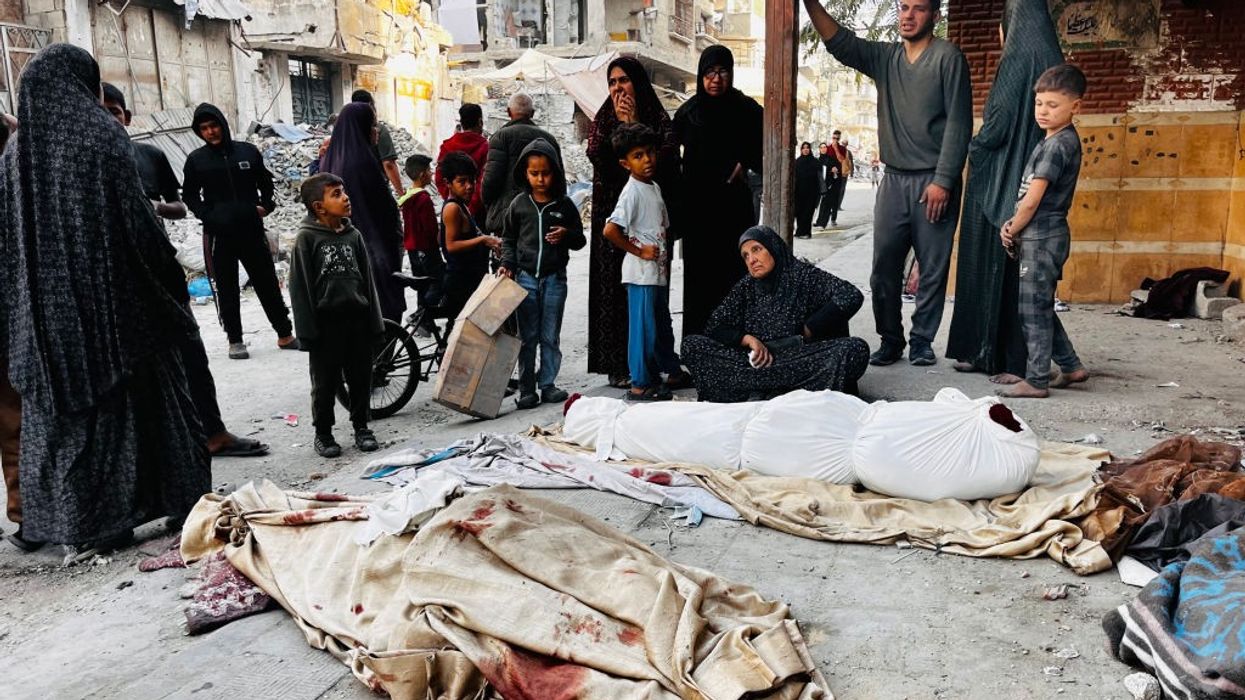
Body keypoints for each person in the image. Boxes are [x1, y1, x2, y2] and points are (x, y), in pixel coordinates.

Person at [0, 44, 209, 552]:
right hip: (118, 309)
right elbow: (137, 224)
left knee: (70, 427)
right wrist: (166, 279)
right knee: (156, 407)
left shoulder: (14, 154)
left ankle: (85, 524)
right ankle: (180, 502)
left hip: (47, 321)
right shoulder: (101, 136)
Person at [102, 84, 268, 460]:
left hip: (159, 267)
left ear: (127, 117)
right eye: (101, 110)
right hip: (114, 279)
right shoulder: (80, 161)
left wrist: (154, 207)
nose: (107, 119)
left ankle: (213, 432)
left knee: (191, 349)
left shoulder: (149, 155)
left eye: (114, 111)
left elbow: (179, 204)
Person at [803, 0, 972, 367]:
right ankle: (891, 339)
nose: (908, 15)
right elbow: (841, 43)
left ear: (935, 16)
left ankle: (922, 341)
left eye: (918, 9)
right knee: (883, 268)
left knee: (932, 268)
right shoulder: (885, 58)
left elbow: (959, 122)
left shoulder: (948, 58)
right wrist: (809, 2)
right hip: (894, 180)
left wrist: (944, 180)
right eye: (903, 7)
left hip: (934, 181)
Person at [947, 0, 1063, 382]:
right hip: (1030, 185)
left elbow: (997, 124)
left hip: (999, 181)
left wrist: (975, 149)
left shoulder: (1016, 61)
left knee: (989, 266)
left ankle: (995, 356)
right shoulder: (1052, 62)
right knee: (1021, 281)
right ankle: (1005, 356)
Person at [682, 226, 869, 402]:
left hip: (797, 359)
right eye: (746, 256)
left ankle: (757, 390)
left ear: (773, 247)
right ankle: (781, 390)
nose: (751, 260)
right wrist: (748, 340)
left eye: (756, 250)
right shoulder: (746, 287)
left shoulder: (803, 275)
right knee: (692, 345)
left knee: (854, 349)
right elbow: (715, 325)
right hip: (756, 363)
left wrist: (810, 329)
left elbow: (850, 295)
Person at [587, 56, 683, 389]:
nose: (618, 88)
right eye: (612, 82)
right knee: (617, 297)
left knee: (653, 305)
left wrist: (634, 125)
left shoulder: (657, 117)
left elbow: (668, 155)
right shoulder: (603, 118)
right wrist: (620, 126)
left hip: (648, 221)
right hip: (614, 215)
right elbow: (598, 156)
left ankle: (658, 364)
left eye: (624, 80)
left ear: (638, 83)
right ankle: (622, 366)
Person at [997, 65, 1091, 399]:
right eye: (1039, 103)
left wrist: (1012, 227)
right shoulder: (1054, 139)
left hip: (1042, 236)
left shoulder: (1057, 145)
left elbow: (1033, 199)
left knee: (1032, 310)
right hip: (1044, 235)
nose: (1043, 111)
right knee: (1041, 305)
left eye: (1053, 104)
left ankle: (1037, 380)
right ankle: (1071, 366)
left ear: (1075, 107)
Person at [183, 103, 298, 360]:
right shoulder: (196, 160)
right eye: (204, 128)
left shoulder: (247, 152)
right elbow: (190, 195)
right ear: (199, 131)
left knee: (267, 283)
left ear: (222, 125)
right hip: (220, 235)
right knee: (227, 288)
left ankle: (285, 334)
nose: (210, 132)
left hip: (251, 230)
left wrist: (265, 206)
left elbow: (266, 183)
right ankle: (235, 340)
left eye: (214, 126)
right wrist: (208, 216)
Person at [674, 45, 763, 338]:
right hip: (697, 210)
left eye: (722, 71)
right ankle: (698, 344)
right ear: (701, 75)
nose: (716, 79)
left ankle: (735, 343)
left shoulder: (747, 110)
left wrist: (745, 162)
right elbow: (669, 155)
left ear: (731, 73)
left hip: (732, 208)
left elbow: (769, 142)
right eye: (709, 72)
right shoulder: (688, 112)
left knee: (734, 275)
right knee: (699, 279)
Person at [499, 139, 586, 409]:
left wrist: (566, 234)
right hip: (525, 278)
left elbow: (580, 240)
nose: (540, 179)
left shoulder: (565, 205)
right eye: (534, 173)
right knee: (528, 337)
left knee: (550, 336)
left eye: (545, 173)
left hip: (555, 279)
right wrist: (507, 264)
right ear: (524, 174)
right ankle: (527, 389)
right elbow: (508, 239)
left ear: (555, 173)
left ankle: (547, 385)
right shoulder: (519, 205)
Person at [602, 124, 686, 402]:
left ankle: (671, 371)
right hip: (641, 274)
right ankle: (640, 384)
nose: (647, 159)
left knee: (661, 325)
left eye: (650, 152)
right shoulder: (632, 192)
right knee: (643, 330)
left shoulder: (653, 187)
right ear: (625, 163)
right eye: (638, 156)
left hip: (656, 272)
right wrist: (639, 251)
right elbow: (610, 230)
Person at [321, 102, 407, 323]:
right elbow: (383, 209)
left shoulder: (329, 159)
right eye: (372, 125)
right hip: (372, 245)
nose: (376, 131)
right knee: (383, 303)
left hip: (342, 248)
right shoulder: (363, 162)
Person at [482, 93, 561, 237]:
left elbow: (491, 180)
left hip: (506, 217)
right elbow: (559, 181)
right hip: (541, 216)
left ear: (508, 112)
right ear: (532, 113)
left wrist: (489, 206)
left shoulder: (500, 137)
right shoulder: (549, 139)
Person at [440, 151, 502, 321]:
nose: (469, 186)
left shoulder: (462, 205)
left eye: (472, 181)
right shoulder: (452, 208)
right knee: (461, 332)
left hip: (470, 278)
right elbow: (451, 245)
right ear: (448, 183)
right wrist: (483, 239)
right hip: (461, 282)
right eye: (462, 181)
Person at [399, 154, 443, 334]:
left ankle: (425, 323)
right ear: (422, 174)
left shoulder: (407, 196)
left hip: (412, 249)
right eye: (429, 171)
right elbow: (430, 227)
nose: (432, 174)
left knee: (422, 285)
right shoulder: (423, 198)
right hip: (427, 248)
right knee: (438, 281)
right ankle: (420, 316)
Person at [435, 103, 489, 221]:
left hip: (451, 209)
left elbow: (439, 178)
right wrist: (470, 207)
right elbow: (483, 181)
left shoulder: (447, 146)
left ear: (462, 123)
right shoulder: (485, 147)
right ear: (480, 122)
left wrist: (452, 199)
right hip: (478, 212)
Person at [350, 89, 404, 194]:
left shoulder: (345, 132)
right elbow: (388, 164)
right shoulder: (378, 130)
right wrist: (401, 192)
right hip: (376, 188)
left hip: (352, 189)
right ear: (371, 106)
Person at [794, 142, 822, 239]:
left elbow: (819, 178)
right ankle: (799, 232)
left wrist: (821, 191)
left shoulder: (815, 162)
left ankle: (806, 233)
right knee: (799, 213)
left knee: (808, 213)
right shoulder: (797, 162)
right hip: (799, 192)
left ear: (810, 149)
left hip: (812, 192)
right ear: (801, 150)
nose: (806, 150)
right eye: (804, 148)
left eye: (807, 148)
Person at [813, 141, 840, 228]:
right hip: (820, 185)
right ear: (819, 149)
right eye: (821, 147)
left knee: (826, 204)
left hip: (829, 184)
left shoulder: (831, 159)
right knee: (821, 204)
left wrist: (834, 170)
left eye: (824, 147)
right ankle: (819, 221)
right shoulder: (818, 160)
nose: (823, 149)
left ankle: (823, 223)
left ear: (827, 149)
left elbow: (837, 169)